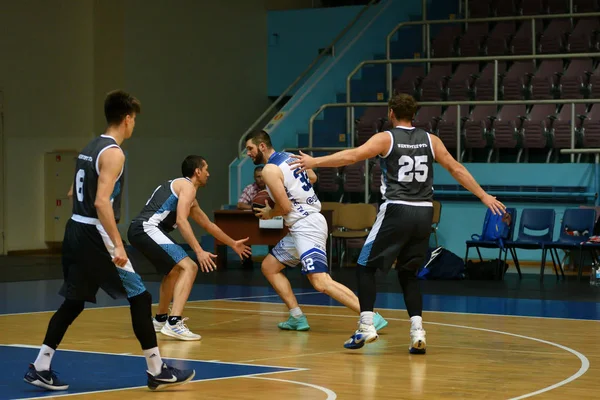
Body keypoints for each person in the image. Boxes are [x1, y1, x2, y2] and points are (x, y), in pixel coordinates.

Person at [290, 93, 506, 352]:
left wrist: (315, 162)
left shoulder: (386, 137)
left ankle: (366, 326)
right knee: (408, 273)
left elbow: (353, 156)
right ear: (414, 114)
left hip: (397, 209)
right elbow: (456, 168)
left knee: (364, 267)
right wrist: (484, 196)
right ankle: (417, 331)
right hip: (425, 212)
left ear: (391, 112)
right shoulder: (431, 139)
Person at [24, 90, 195, 391]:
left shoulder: (90, 147)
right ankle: (157, 369)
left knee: (74, 302)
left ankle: (40, 365)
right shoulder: (114, 152)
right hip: (94, 233)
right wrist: (117, 244)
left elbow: (72, 192)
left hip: (74, 229)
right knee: (140, 298)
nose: (134, 125)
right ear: (128, 119)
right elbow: (102, 203)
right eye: (134, 120)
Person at [244, 130, 388, 332]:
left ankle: (370, 315)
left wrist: (269, 212)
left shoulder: (269, 170)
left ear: (262, 146)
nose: (248, 153)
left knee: (320, 281)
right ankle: (296, 317)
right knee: (269, 266)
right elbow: (312, 177)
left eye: (250, 148)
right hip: (301, 224)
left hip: (306, 225)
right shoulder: (290, 156)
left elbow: (284, 208)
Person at [127, 155, 252, 340]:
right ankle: (174, 323)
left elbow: (208, 225)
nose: (208, 174)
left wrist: (232, 243)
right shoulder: (187, 187)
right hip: (147, 228)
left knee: (174, 271)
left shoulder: (186, 193)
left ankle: (160, 319)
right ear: (197, 171)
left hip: (139, 230)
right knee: (190, 266)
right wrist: (199, 251)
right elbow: (181, 220)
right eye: (206, 169)